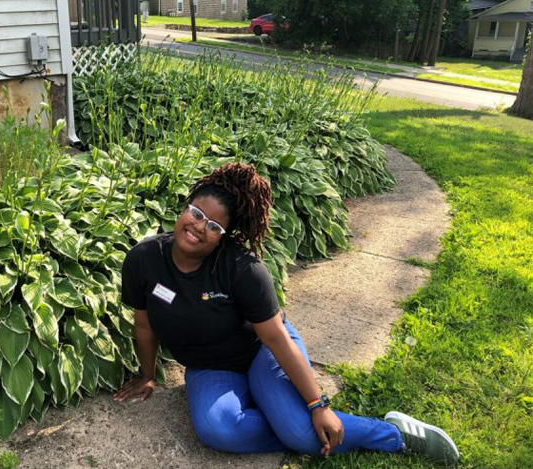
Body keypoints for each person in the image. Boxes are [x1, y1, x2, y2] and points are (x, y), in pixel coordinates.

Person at [115, 162, 459, 465]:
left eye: (215, 227)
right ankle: (287, 420)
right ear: (185, 208)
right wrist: (147, 375)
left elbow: (276, 339)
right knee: (218, 430)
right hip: (211, 368)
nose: (200, 227)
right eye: (197, 213)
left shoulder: (242, 269)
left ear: (224, 236)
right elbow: (144, 325)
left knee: (301, 432)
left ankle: (392, 433)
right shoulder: (144, 259)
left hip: (262, 355)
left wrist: (317, 404)